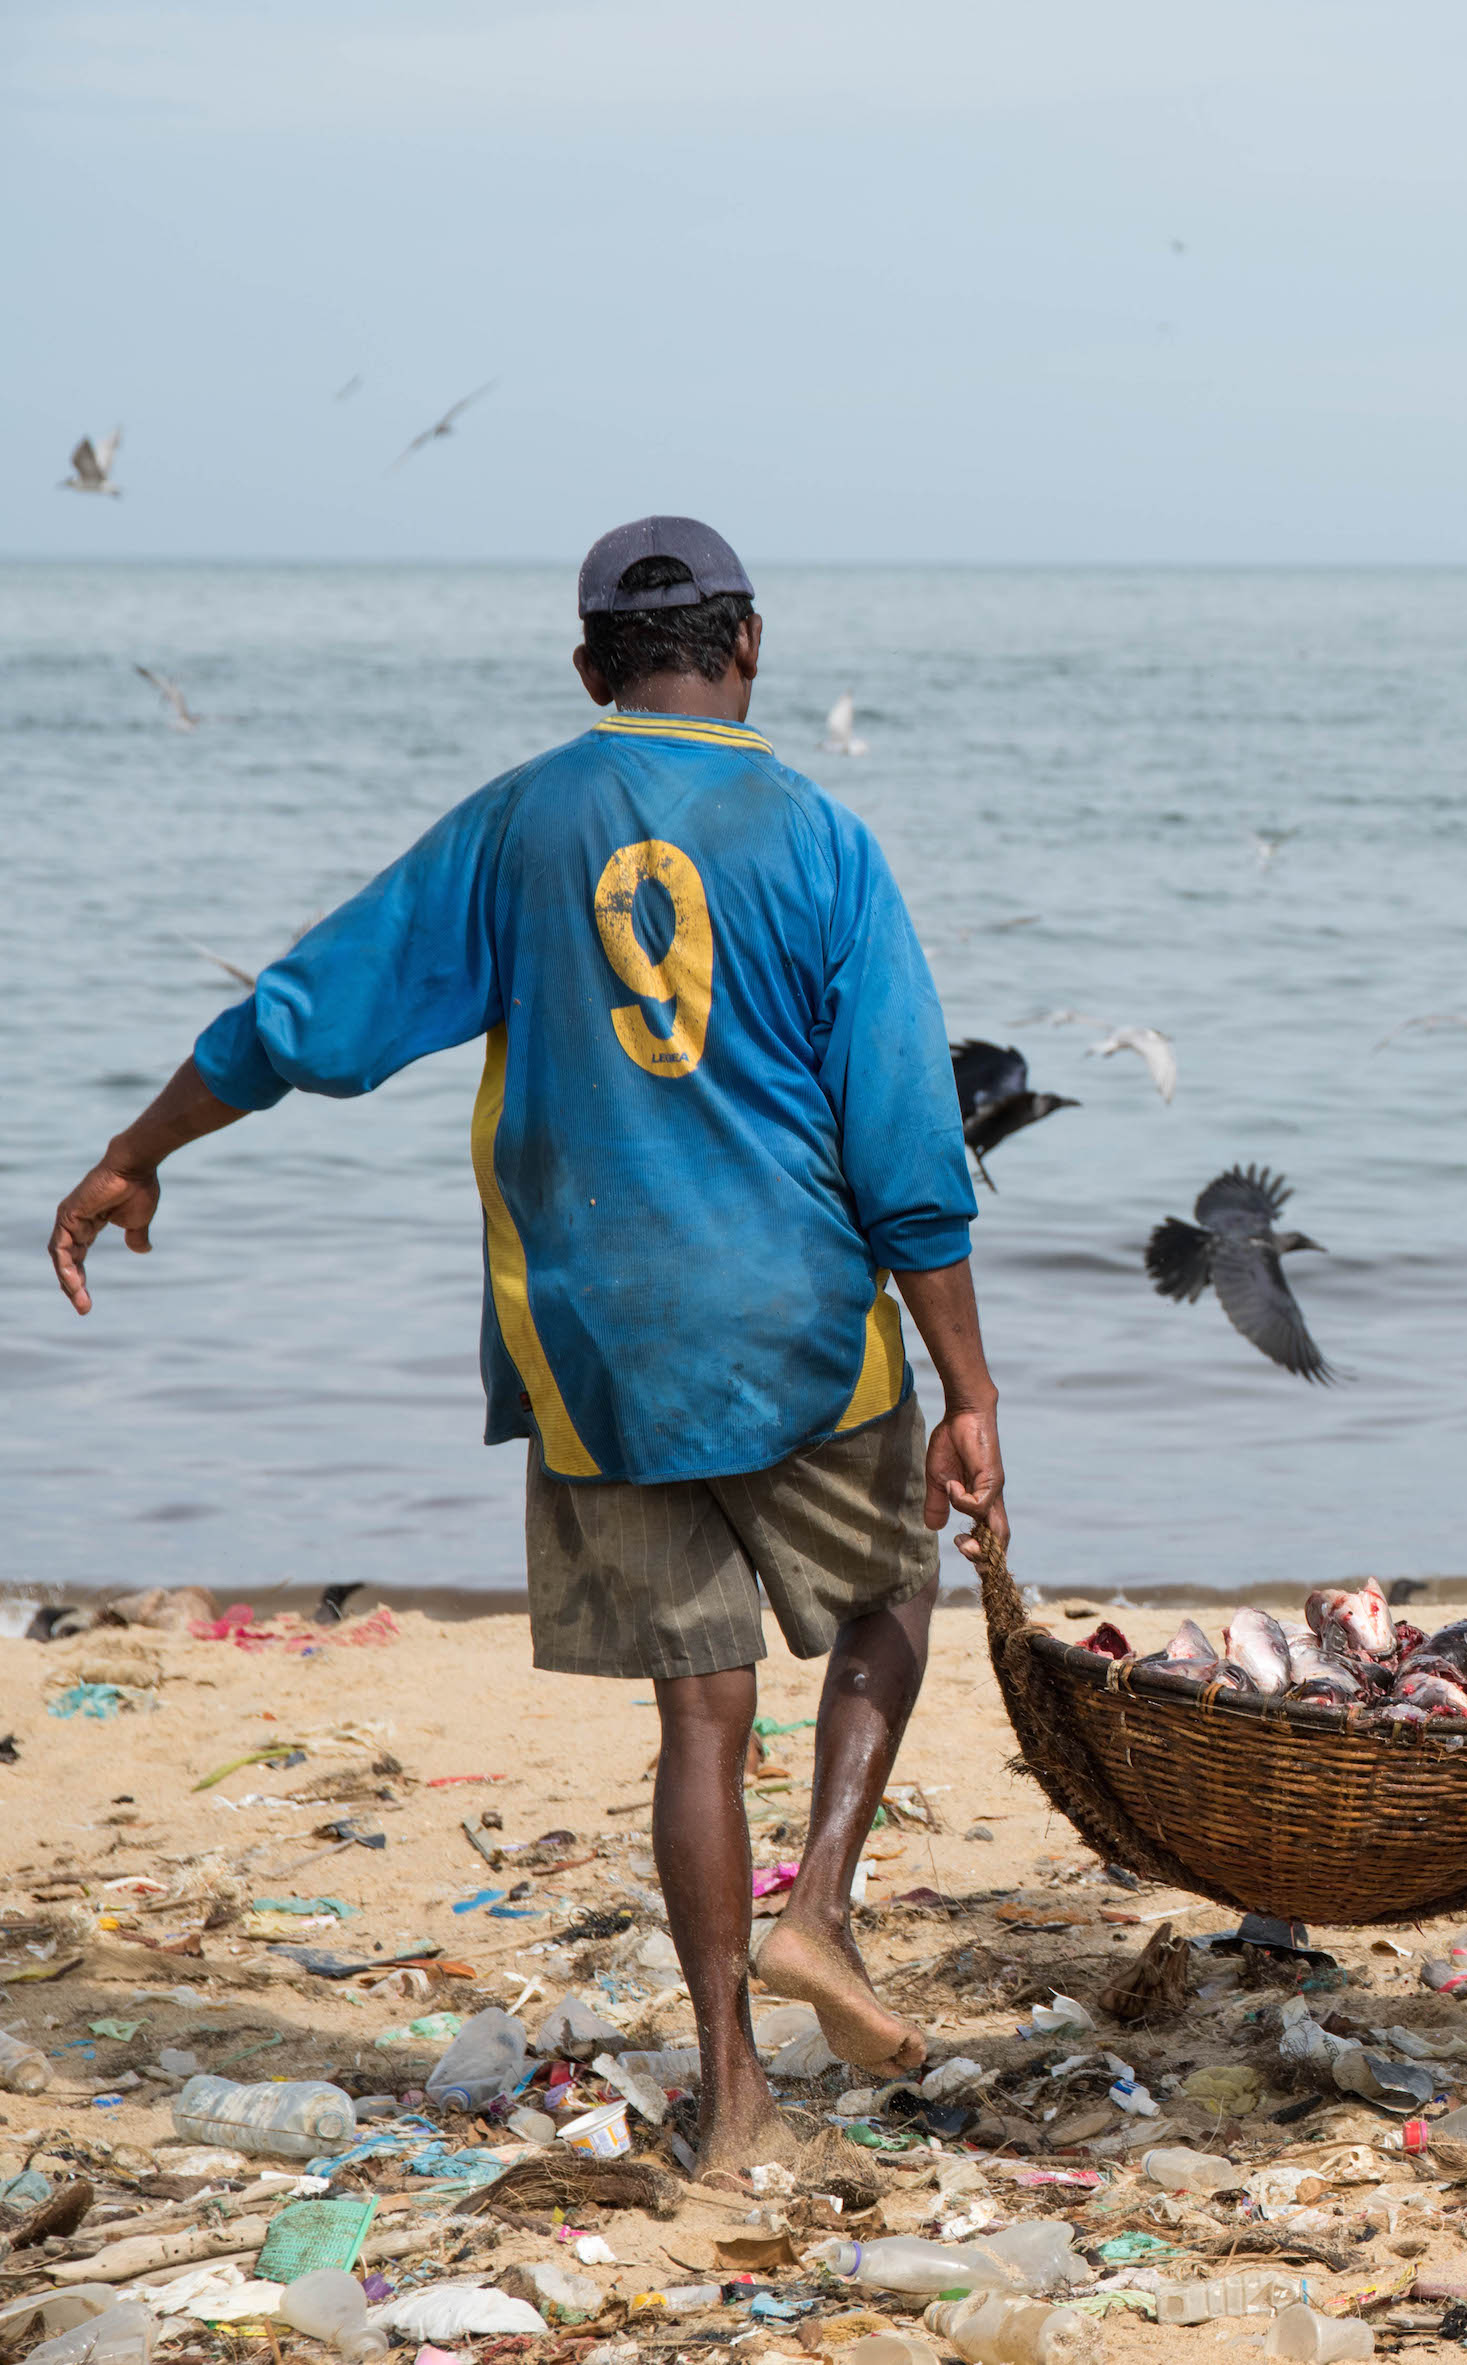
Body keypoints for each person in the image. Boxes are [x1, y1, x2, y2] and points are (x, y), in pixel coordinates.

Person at [47, 517, 1004, 2185]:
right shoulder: (825, 840)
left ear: (587, 671)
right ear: (753, 644)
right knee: (897, 1589)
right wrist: (971, 1387)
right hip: (802, 1334)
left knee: (698, 1721)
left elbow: (310, 1013)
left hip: (595, 1346)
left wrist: (142, 1148)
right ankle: (825, 1910)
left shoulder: (515, 825)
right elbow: (909, 1144)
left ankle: (737, 2100)